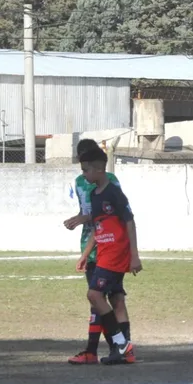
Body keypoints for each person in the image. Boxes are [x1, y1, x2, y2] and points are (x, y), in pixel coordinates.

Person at [74, 148, 139, 365]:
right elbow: (97, 226)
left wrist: (134, 255)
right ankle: (124, 349)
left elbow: (129, 221)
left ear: (99, 169)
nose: (84, 175)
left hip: (115, 253)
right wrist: (85, 254)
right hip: (102, 253)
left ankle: (121, 344)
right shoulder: (94, 194)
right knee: (113, 298)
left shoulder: (114, 192)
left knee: (94, 295)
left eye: (86, 170)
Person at [64, 139, 125, 364]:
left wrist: (83, 218)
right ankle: (98, 349)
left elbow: (113, 212)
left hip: (111, 244)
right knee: (97, 297)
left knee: (115, 297)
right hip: (91, 245)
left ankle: (121, 346)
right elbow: (89, 210)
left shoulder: (111, 182)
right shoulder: (79, 182)